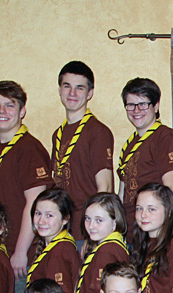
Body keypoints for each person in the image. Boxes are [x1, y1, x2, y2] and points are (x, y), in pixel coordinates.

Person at [0, 80, 53, 293]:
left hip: (17, 255)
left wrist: (20, 252)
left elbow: (35, 204)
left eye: (9, 105)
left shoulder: (29, 149)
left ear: (22, 111)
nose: (1, 111)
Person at [50, 61, 113, 238]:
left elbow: (105, 186)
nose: (72, 93)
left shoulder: (97, 132)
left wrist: (93, 234)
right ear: (59, 90)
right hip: (62, 228)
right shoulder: (58, 134)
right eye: (67, 86)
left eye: (79, 88)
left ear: (89, 93)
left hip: (85, 229)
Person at [118, 78, 173, 233]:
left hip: (159, 228)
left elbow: (171, 187)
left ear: (155, 106)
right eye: (131, 105)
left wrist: (156, 229)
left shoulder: (165, 137)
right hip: (134, 229)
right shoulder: (129, 144)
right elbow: (123, 192)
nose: (136, 110)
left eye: (143, 104)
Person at [67, 192, 129, 293]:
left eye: (99, 220)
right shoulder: (113, 246)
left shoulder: (107, 251)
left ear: (114, 223)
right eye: (87, 219)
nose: (91, 226)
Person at [25, 188, 80, 293]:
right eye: (38, 213)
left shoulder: (59, 252)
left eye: (49, 215)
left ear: (65, 219)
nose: (41, 221)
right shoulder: (56, 246)